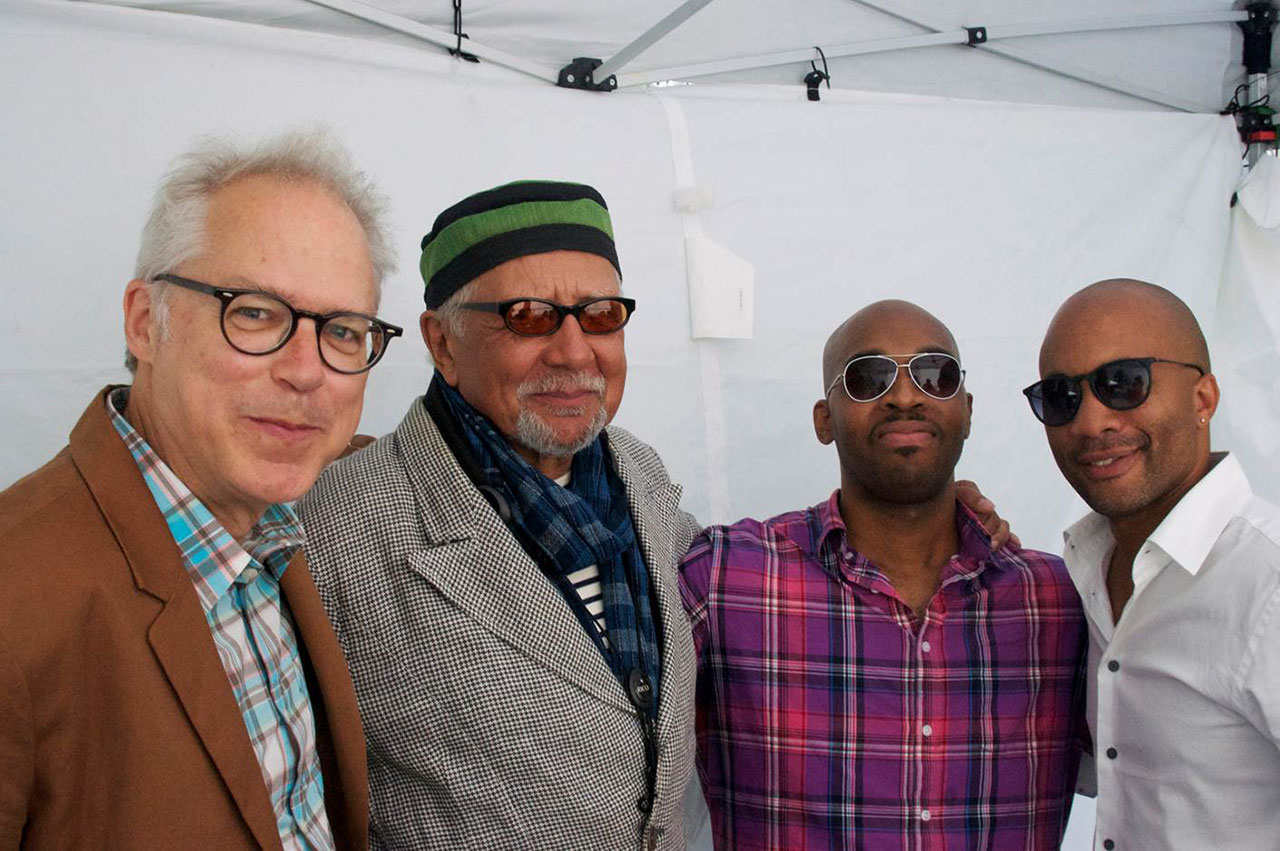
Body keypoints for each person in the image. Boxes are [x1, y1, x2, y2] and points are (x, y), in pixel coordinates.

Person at [0, 129, 403, 850]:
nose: (306, 371)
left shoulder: (277, 528)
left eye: (343, 330)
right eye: (253, 312)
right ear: (144, 323)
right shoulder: (16, 596)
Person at [298, 181, 700, 850]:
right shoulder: (338, 525)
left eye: (600, 314)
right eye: (529, 316)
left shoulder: (639, 471)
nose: (575, 352)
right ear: (443, 344)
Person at [680, 300, 1087, 850]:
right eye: (868, 378)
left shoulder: (1058, 600)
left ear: (966, 409)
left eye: (934, 374)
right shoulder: (726, 578)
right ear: (825, 420)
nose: (905, 396)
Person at [1026, 279, 1280, 851]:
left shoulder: (1266, 582)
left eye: (1123, 383)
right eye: (1061, 396)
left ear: (1203, 399)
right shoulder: (1085, 576)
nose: (1090, 422)